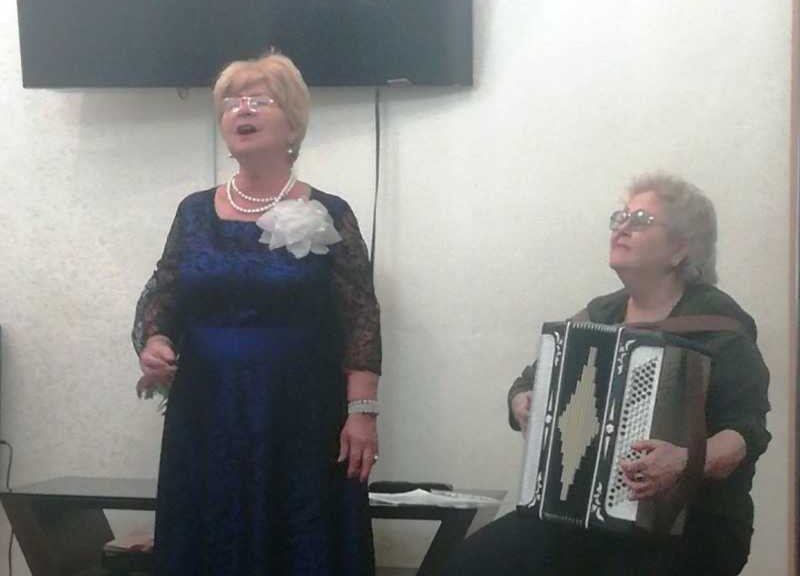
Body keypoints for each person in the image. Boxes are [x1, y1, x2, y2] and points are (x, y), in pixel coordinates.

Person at [443, 173, 770, 576]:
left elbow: (746, 434)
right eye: (619, 217)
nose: (622, 227)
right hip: (587, 520)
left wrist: (684, 462)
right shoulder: (600, 314)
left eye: (641, 220)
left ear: (679, 250)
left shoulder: (719, 324)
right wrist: (523, 401)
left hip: (692, 526)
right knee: (471, 562)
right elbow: (531, 379)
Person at [132, 51, 381, 576]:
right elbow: (165, 294)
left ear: (293, 121)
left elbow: (360, 318)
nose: (241, 110)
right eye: (230, 103)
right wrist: (155, 341)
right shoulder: (193, 211)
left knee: (301, 540)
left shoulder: (330, 212)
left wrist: (362, 413)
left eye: (258, 100)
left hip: (301, 414)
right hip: (207, 410)